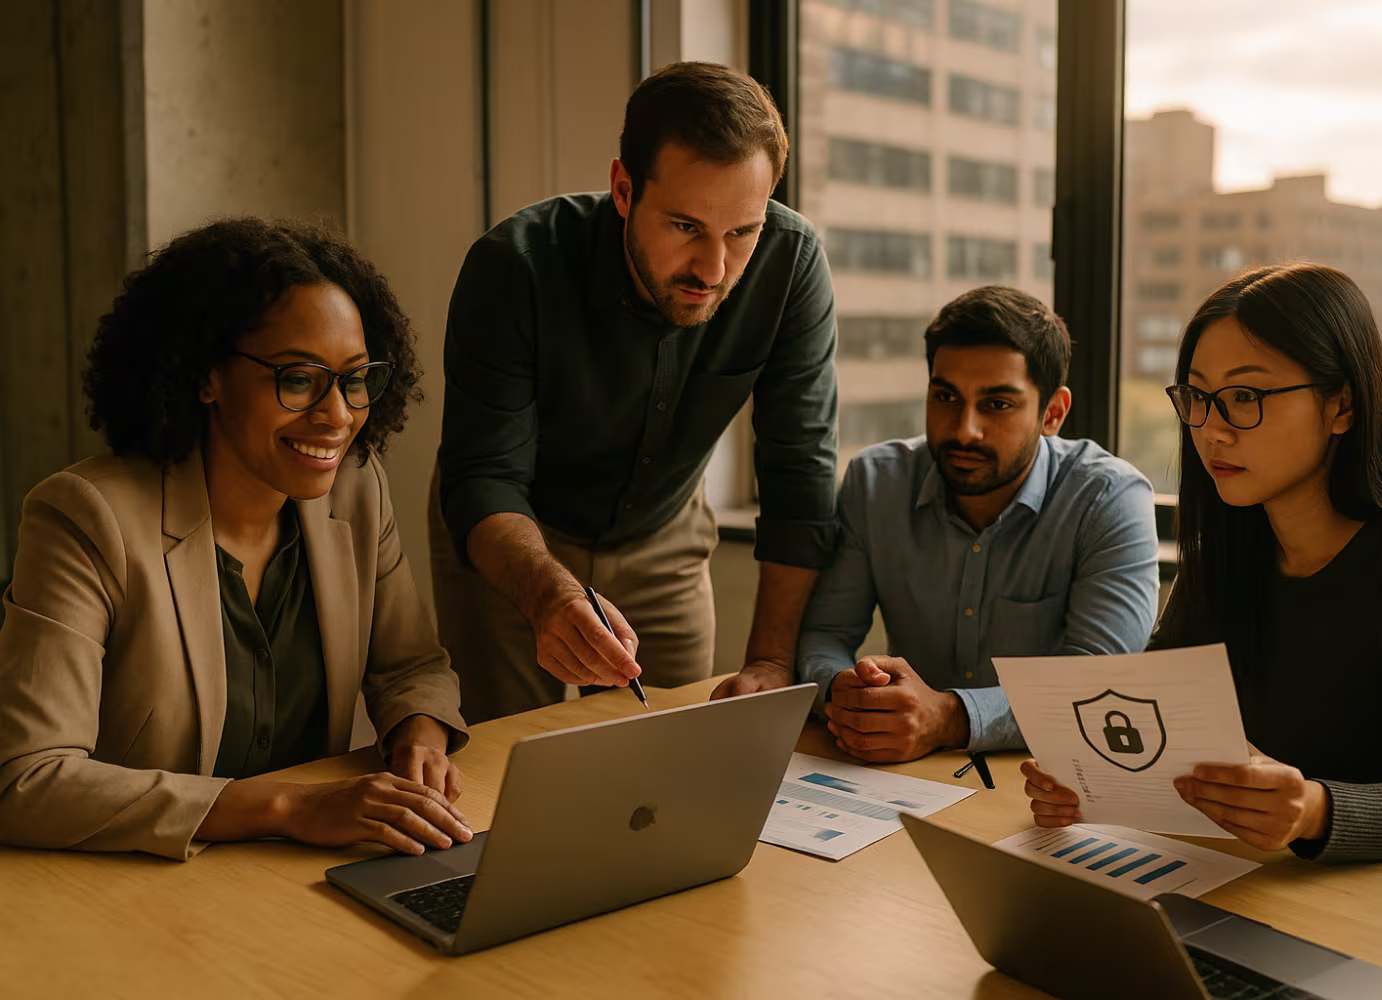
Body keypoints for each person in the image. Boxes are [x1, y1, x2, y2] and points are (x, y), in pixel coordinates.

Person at [0, 219, 472, 861]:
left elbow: (411, 666)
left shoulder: (358, 490)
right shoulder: (87, 518)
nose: (337, 416)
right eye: (299, 379)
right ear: (206, 377)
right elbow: (27, 780)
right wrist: (288, 808)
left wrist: (419, 737)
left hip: (297, 880)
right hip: (131, 890)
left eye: (355, 378)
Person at [1022, 262, 1382, 873]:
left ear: (1341, 406)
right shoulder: (1228, 549)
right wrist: (1091, 781)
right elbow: (1158, 725)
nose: (1211, 429)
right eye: (1196, 397)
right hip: (1268, 876)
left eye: (1245, 397)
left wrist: (1312, 811)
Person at [430, 61, 839, 723]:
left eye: (742, 232)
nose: (713, 269)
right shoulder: (514, 267)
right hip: (514, 534)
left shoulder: (791, 264)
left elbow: (801, 473)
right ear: (623, 189)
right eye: (685, 227)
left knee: (667, 767)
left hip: (665, 534)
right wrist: (547, 595)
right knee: (497, 760)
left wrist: (769, 659)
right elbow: (484, 476)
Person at [799, 285, 1159, 764]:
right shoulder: (876, 482)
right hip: (901, 772)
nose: (964, 429)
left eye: (997, 404)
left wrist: (948, 717)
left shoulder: (1110, 499)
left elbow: (1098, 684)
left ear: (1052, 413)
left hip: (1047, 779)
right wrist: (846, 692)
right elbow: (823, 633)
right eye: (945, 396)